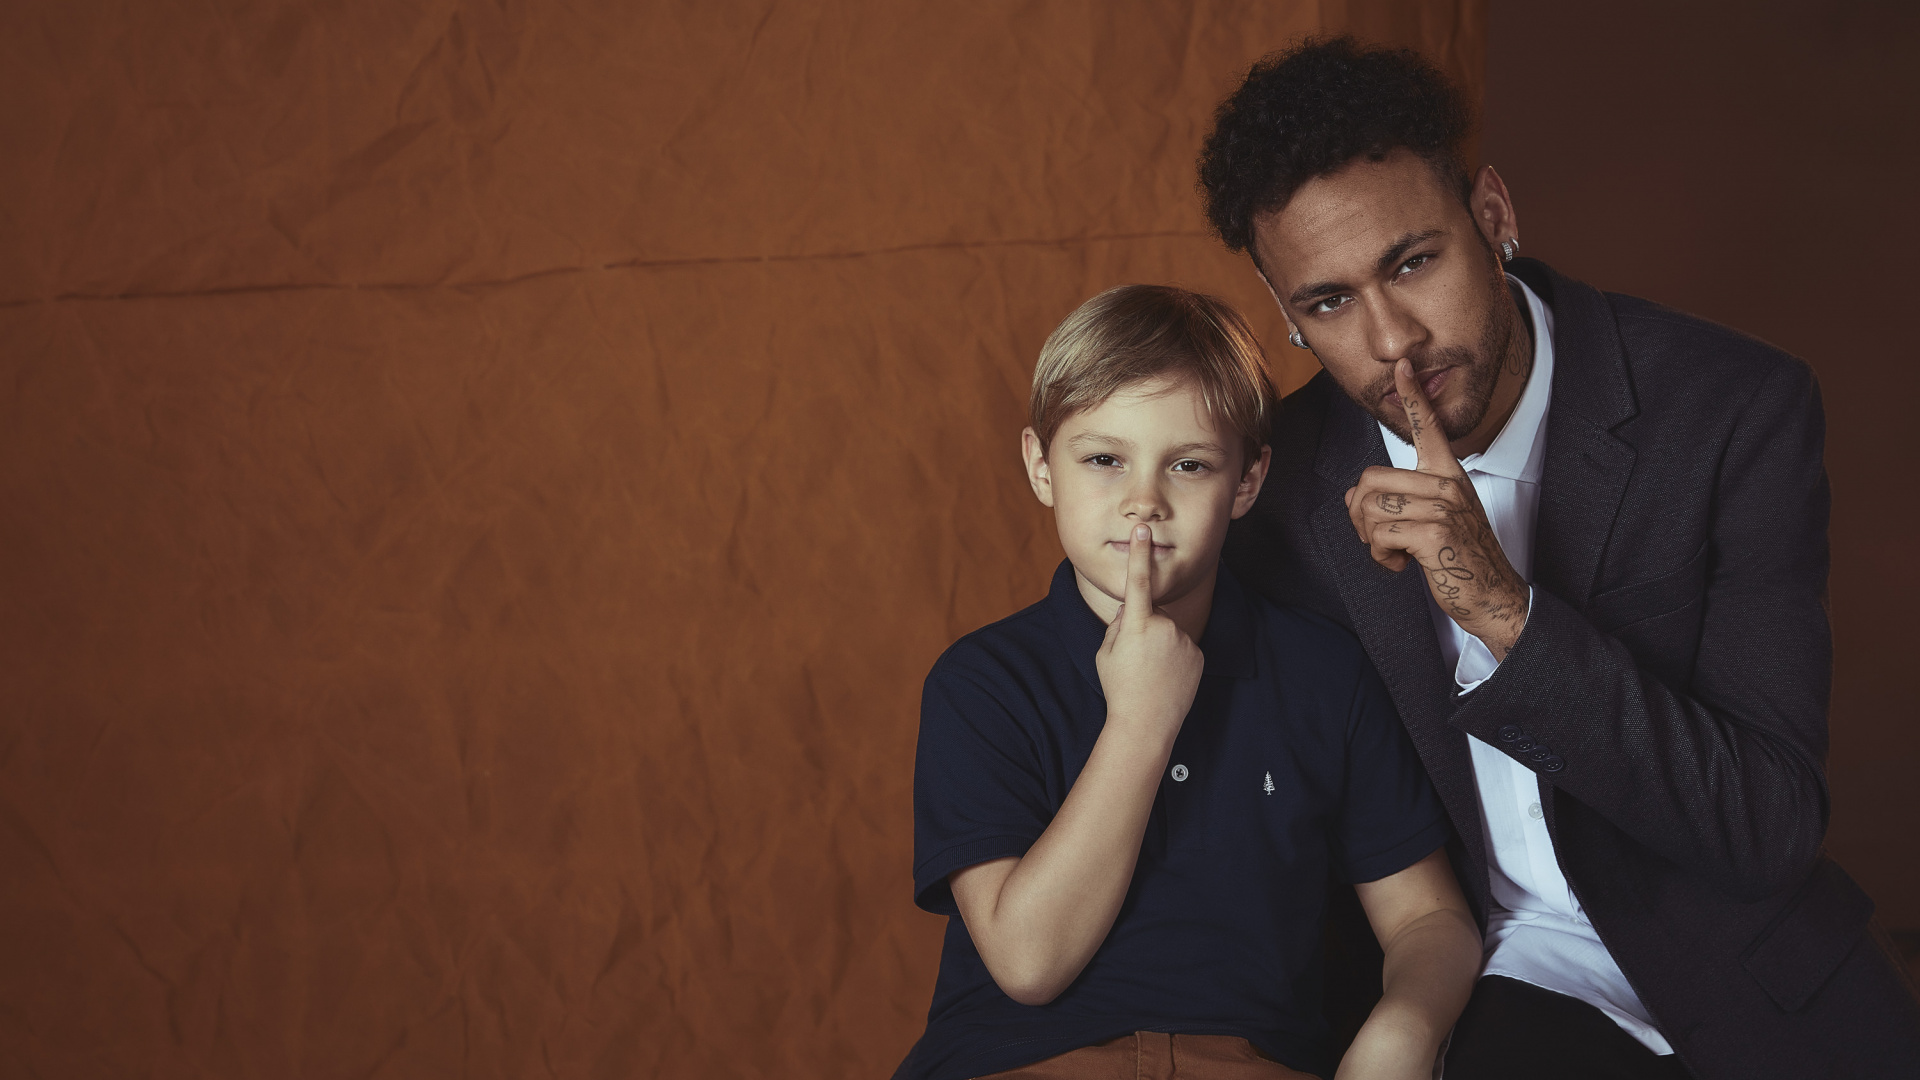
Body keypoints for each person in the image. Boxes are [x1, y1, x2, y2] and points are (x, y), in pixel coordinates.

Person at [1196, 36, 1920, 1080]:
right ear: (1285, 314)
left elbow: (1764, 827)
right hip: (1492, 996)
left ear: (1493, 216)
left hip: (1757, 987)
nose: (1392, 339)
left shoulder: (1730, 410)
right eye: (1329, 302)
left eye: (1412, 262)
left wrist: (1502, 609)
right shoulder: (1278, 492)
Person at [893, 285, 1481, 1080]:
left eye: (1190, 465)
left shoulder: (1323, 673)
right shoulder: (984, 683)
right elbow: (1029, 963)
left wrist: (1403, 1029)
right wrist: (1140, 719)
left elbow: (1429, 918)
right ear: (1041, 467)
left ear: (1245, 482)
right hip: (1023, 1061)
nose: (1143, 503)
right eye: (1104, 459)